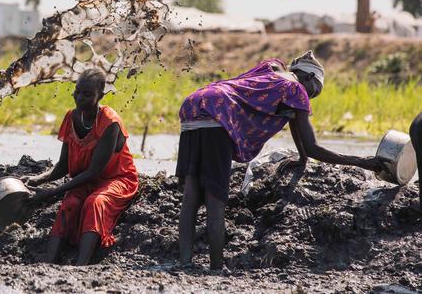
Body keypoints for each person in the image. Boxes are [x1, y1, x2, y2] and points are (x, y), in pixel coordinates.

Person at [176, 51, 383, 270]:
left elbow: (297, 129)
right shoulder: (298, 90)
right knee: (215, 198)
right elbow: (313, 147)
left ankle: (184, 263)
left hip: (195, 103)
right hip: (218, 115)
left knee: (192, 194)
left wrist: (302, 158)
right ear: (310, 78)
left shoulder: (272, 70)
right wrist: (362, 162)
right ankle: (216, 267)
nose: (311, 99)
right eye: (315, 93)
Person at [21, 68, 138, 266]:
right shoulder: (71, 117)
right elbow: (63, 166)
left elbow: (95, 172)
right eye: (77, 92)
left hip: (117, 178)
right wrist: (38, 179)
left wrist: (50, 193)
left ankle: (81, 266)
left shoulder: (110, 123)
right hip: (86, 178)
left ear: (100, 96)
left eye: (87, 94)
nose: (80, 98)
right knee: (70, 204)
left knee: (95, 202)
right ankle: (48, 264)